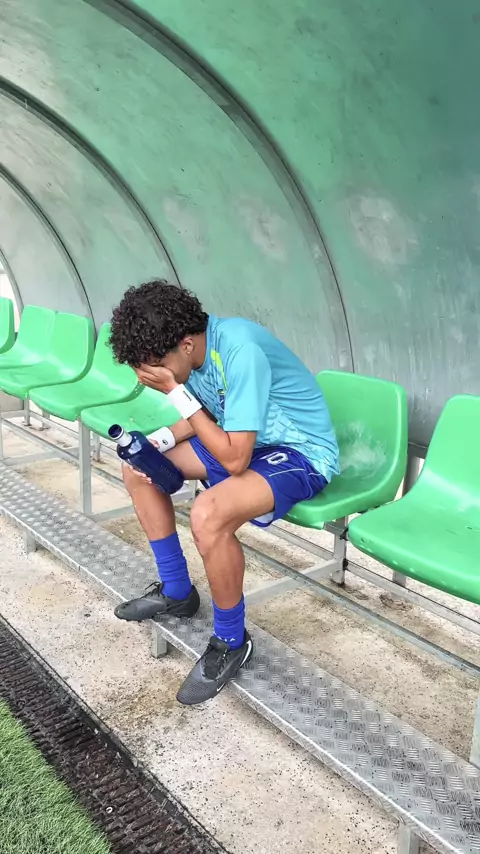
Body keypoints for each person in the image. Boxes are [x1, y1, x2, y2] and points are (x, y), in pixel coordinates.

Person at [108, 280, 339, 705]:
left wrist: (175, 392)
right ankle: (177, 592)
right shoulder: (194, 354)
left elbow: (233, 459)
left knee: (207, 514)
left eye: (158, 369)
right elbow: (207, 416)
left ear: (186, 344)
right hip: (241, 441)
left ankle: (232, 641)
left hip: (297, 453)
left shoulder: (239, 350)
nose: (154, 379)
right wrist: (160, 441)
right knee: (138, 467)